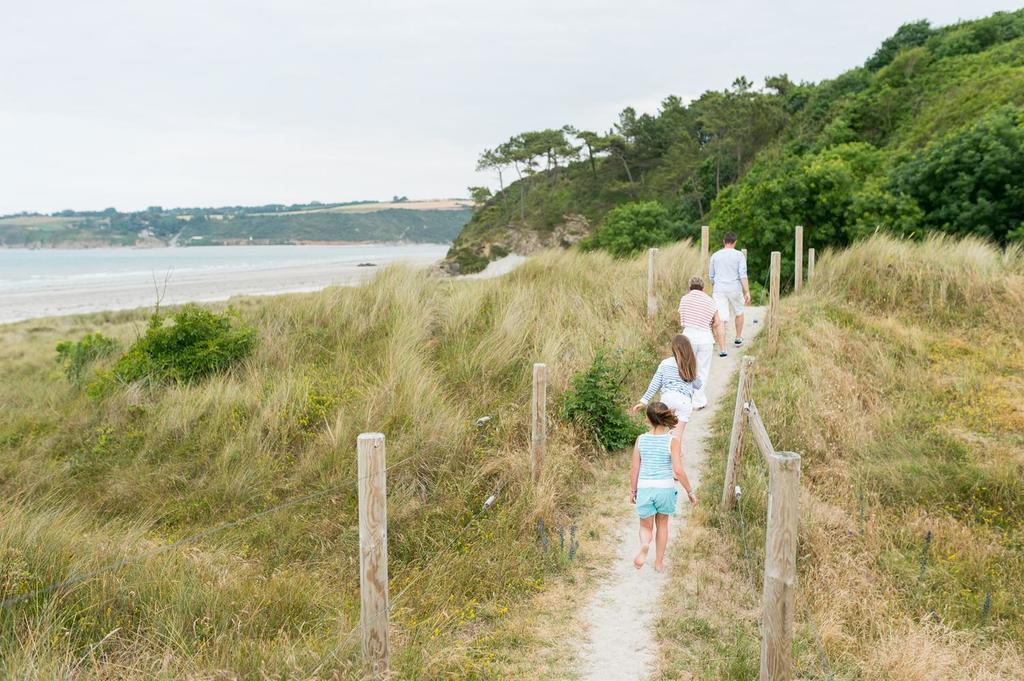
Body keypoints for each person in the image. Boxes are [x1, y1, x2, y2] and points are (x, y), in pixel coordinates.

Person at [629, 401, 697, 571]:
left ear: (648, 419)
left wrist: (633, 490)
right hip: (665, 489)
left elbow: (635, 468)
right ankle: (659, 563)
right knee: (663, 525)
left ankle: (645, 544)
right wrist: (690, 492)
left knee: (645, 526)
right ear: (665, 417)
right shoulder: (672, 441)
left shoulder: (641, 440)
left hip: (645, 488)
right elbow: (678, 470)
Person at [631, 334, 701, 438]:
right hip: (684, 402)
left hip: (667, 400)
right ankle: (676, 453)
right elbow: (698, 385)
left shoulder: (665, 363)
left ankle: (658, 451)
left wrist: (643, 401)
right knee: (676, 437)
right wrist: (691, 372)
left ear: (673, 348)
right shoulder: (690, 364)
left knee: (661, 435)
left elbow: (655, 383)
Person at [678, 276, 725, 410]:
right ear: (703, 288)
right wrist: (722, 345)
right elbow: (717, 323)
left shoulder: (684, 299)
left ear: (689, 287)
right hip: (705, 337)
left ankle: (686, 398)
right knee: (702, 370)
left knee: (687, 367)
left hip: (688, 336)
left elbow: (682, 318)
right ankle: (698, 401)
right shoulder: (710, 301)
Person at [708, 232, 751, 351]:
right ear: (735, 242)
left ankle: (722, 349)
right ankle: (738, 337)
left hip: (719, 289)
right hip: (735, 288)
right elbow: (743, 275)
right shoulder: (739, 255)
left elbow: (711, 276)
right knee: (739, 312)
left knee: (720, 318)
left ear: (724, 241)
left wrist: (715, 285)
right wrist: (746, 291)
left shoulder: (715, 255)